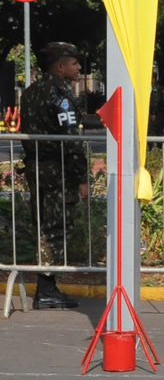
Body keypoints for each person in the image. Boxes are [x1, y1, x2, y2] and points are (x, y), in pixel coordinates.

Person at [19, 41, 90, 309]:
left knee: (44, 226)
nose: (79, 67)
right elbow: (70, 140)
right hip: (57, 172)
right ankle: (47, 290)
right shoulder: (60, 96)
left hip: (37, 167)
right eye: (74, 63)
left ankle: (48, 287)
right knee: (56, 228)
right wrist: (82, 177)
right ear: (60, 67)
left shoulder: (31, 92)